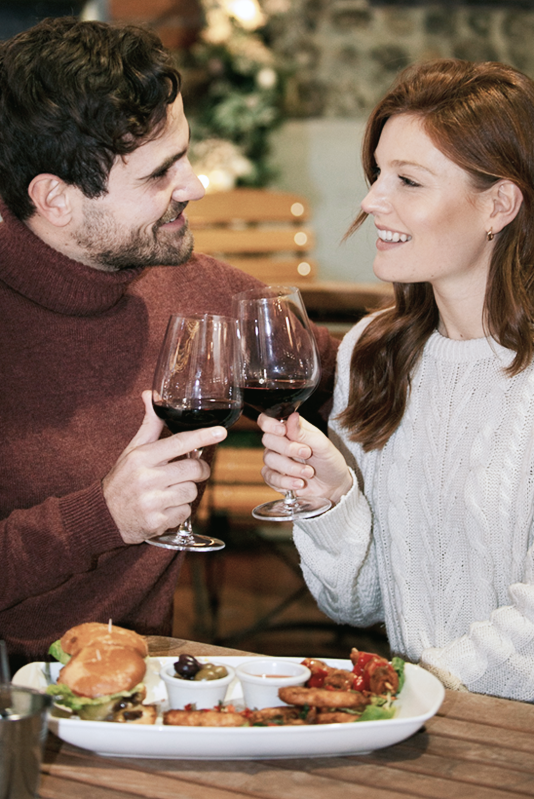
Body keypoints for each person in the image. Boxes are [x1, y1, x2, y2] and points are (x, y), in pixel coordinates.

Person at [0, 16, 339, 668]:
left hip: (143, 686)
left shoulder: (193, 289)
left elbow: (348, 374)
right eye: (160, 173)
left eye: (185, 155)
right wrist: (103, 516)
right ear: (55, 198)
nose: (195, 186)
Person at [256, 58, 534, 701]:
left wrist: (409, 691)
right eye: (379, 173)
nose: (372, 200)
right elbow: (358, 604)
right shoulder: (373, 351)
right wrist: (332, 500)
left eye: (408, 180)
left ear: (500, 204)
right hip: (422, 721)